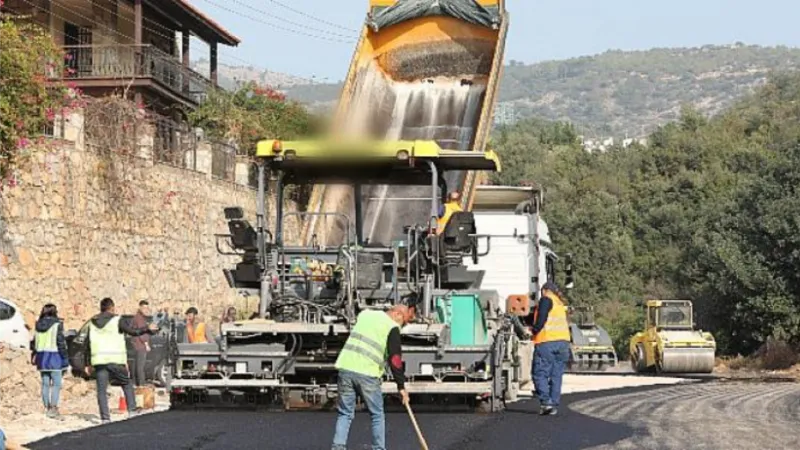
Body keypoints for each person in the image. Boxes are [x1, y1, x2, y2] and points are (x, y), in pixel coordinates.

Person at [331, 305, 411, 450]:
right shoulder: (392, 327)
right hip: (367, 373)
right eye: (403, 322)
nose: (402, 326)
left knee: (345, 413)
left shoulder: (366, 314)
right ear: (397, 314)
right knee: (377, 415)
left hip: (346, 368)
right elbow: (395, 359)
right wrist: (401, 386)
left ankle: (337, 447)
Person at [85, 297, 158, 423]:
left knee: (101, 391)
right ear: (112, 308)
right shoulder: (117, 320)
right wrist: (147, 329)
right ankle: (132, 411)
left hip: (100, 362)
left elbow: (87, 343)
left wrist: (87, 363)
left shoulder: (92, 322)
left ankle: (105, 419)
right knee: (127, 384)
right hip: (115, 360)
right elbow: (133, 332)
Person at [530, 282, 571, 416]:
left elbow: (542, 317)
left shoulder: (546, 299)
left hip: (547, 341)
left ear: (545, 290)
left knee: (540, 373)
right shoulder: (559, 303)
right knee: (556, 374)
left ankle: (546, 402)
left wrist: (534, 330)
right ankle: (553, 403)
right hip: (563, 343)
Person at [31, 304, 70, 419]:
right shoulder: (57, 325)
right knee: (57, 384)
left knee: (45, 384)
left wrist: (34, 355)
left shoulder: (38, 325)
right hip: (55, 357)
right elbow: (61, 343)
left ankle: (47, 407)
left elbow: (34, 343)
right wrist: (65, 359)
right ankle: (53, 408)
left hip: (42, 358)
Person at [131, 300, 151, 387]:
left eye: (147, 308)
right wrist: (146, 344)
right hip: (140, 345)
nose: (146, 310)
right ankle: (141, 385)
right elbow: (141, 332)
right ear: (140, 307)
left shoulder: (137, 317)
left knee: (136, 365)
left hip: (136, 344)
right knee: (140, 366)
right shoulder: (140, 318)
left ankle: (135, 383)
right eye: (144, 308)